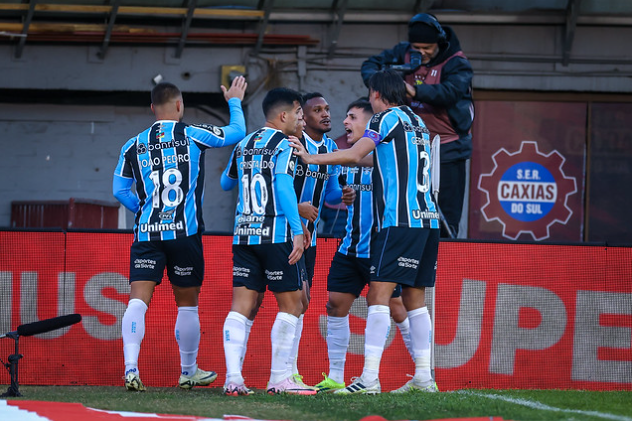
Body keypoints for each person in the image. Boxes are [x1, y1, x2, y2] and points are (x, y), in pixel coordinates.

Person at [290, 69, 440, 394]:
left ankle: (369, 378)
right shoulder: (417, 122)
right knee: (416, 299)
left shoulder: (384, 119)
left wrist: (310, 157)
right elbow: (379, 161)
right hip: (427, 218)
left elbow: (358, 152)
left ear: (376, 94)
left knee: (378, 296)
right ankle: (424, 378)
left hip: (398, 220)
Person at [113, 77, 248, 391]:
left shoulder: (132, 145)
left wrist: (145, 209)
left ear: (151, 108)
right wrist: (235, 101)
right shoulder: (193, 133)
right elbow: (237, 133)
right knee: (187, 304)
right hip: (184, 234)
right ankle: (188, 371)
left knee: (137, 302)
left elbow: (119, 190)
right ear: (179, 105)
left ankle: (131, 369)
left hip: (147, 233)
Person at [220, 87, 316, 396]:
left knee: (241, 306)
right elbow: (284, 184)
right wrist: (297, 230)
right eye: (297, 114)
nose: (299, 120)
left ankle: (233, 378)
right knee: (292, 304)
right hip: (275, 235)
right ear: (284, 115)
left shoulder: (245, 142)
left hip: (244, 234)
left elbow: (225, 182)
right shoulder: (286, 144)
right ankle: (279, 379)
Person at [313, 99, 415, 393]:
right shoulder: (345, 160)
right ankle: (335, 375)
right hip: (350, 247)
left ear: (371, 124)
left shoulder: (387, 157)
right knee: (335, 304)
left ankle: (422, 372)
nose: (345, 122)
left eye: (352, 117)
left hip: (381, 249)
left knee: (397, 309)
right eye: (345, 116)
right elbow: (334, 196)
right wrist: (343, 198)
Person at [361, 13, 474, 238]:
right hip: (410, 147)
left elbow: (451, 92)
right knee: (409, 205)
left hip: (447, 149)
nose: (420, 53)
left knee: (446, 214)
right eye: (416, 47)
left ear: (439, 43)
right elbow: (369, 65)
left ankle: (445, 254)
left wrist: (415, 90)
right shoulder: (402, 51)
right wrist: (385, 82)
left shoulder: (456, 62)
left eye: (427, 48)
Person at [289, 92, 355, 389]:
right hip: (284, 235)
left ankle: (291, 372)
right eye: (317, 110)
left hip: (309, 239)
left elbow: (328, 195)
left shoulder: (330, 148)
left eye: (327, 109)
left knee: (300, 303)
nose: (326, 114)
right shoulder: (291, 142)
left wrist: (344, 194)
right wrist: (296, 209)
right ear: (302, 115)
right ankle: (285, 372)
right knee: (289, 301)